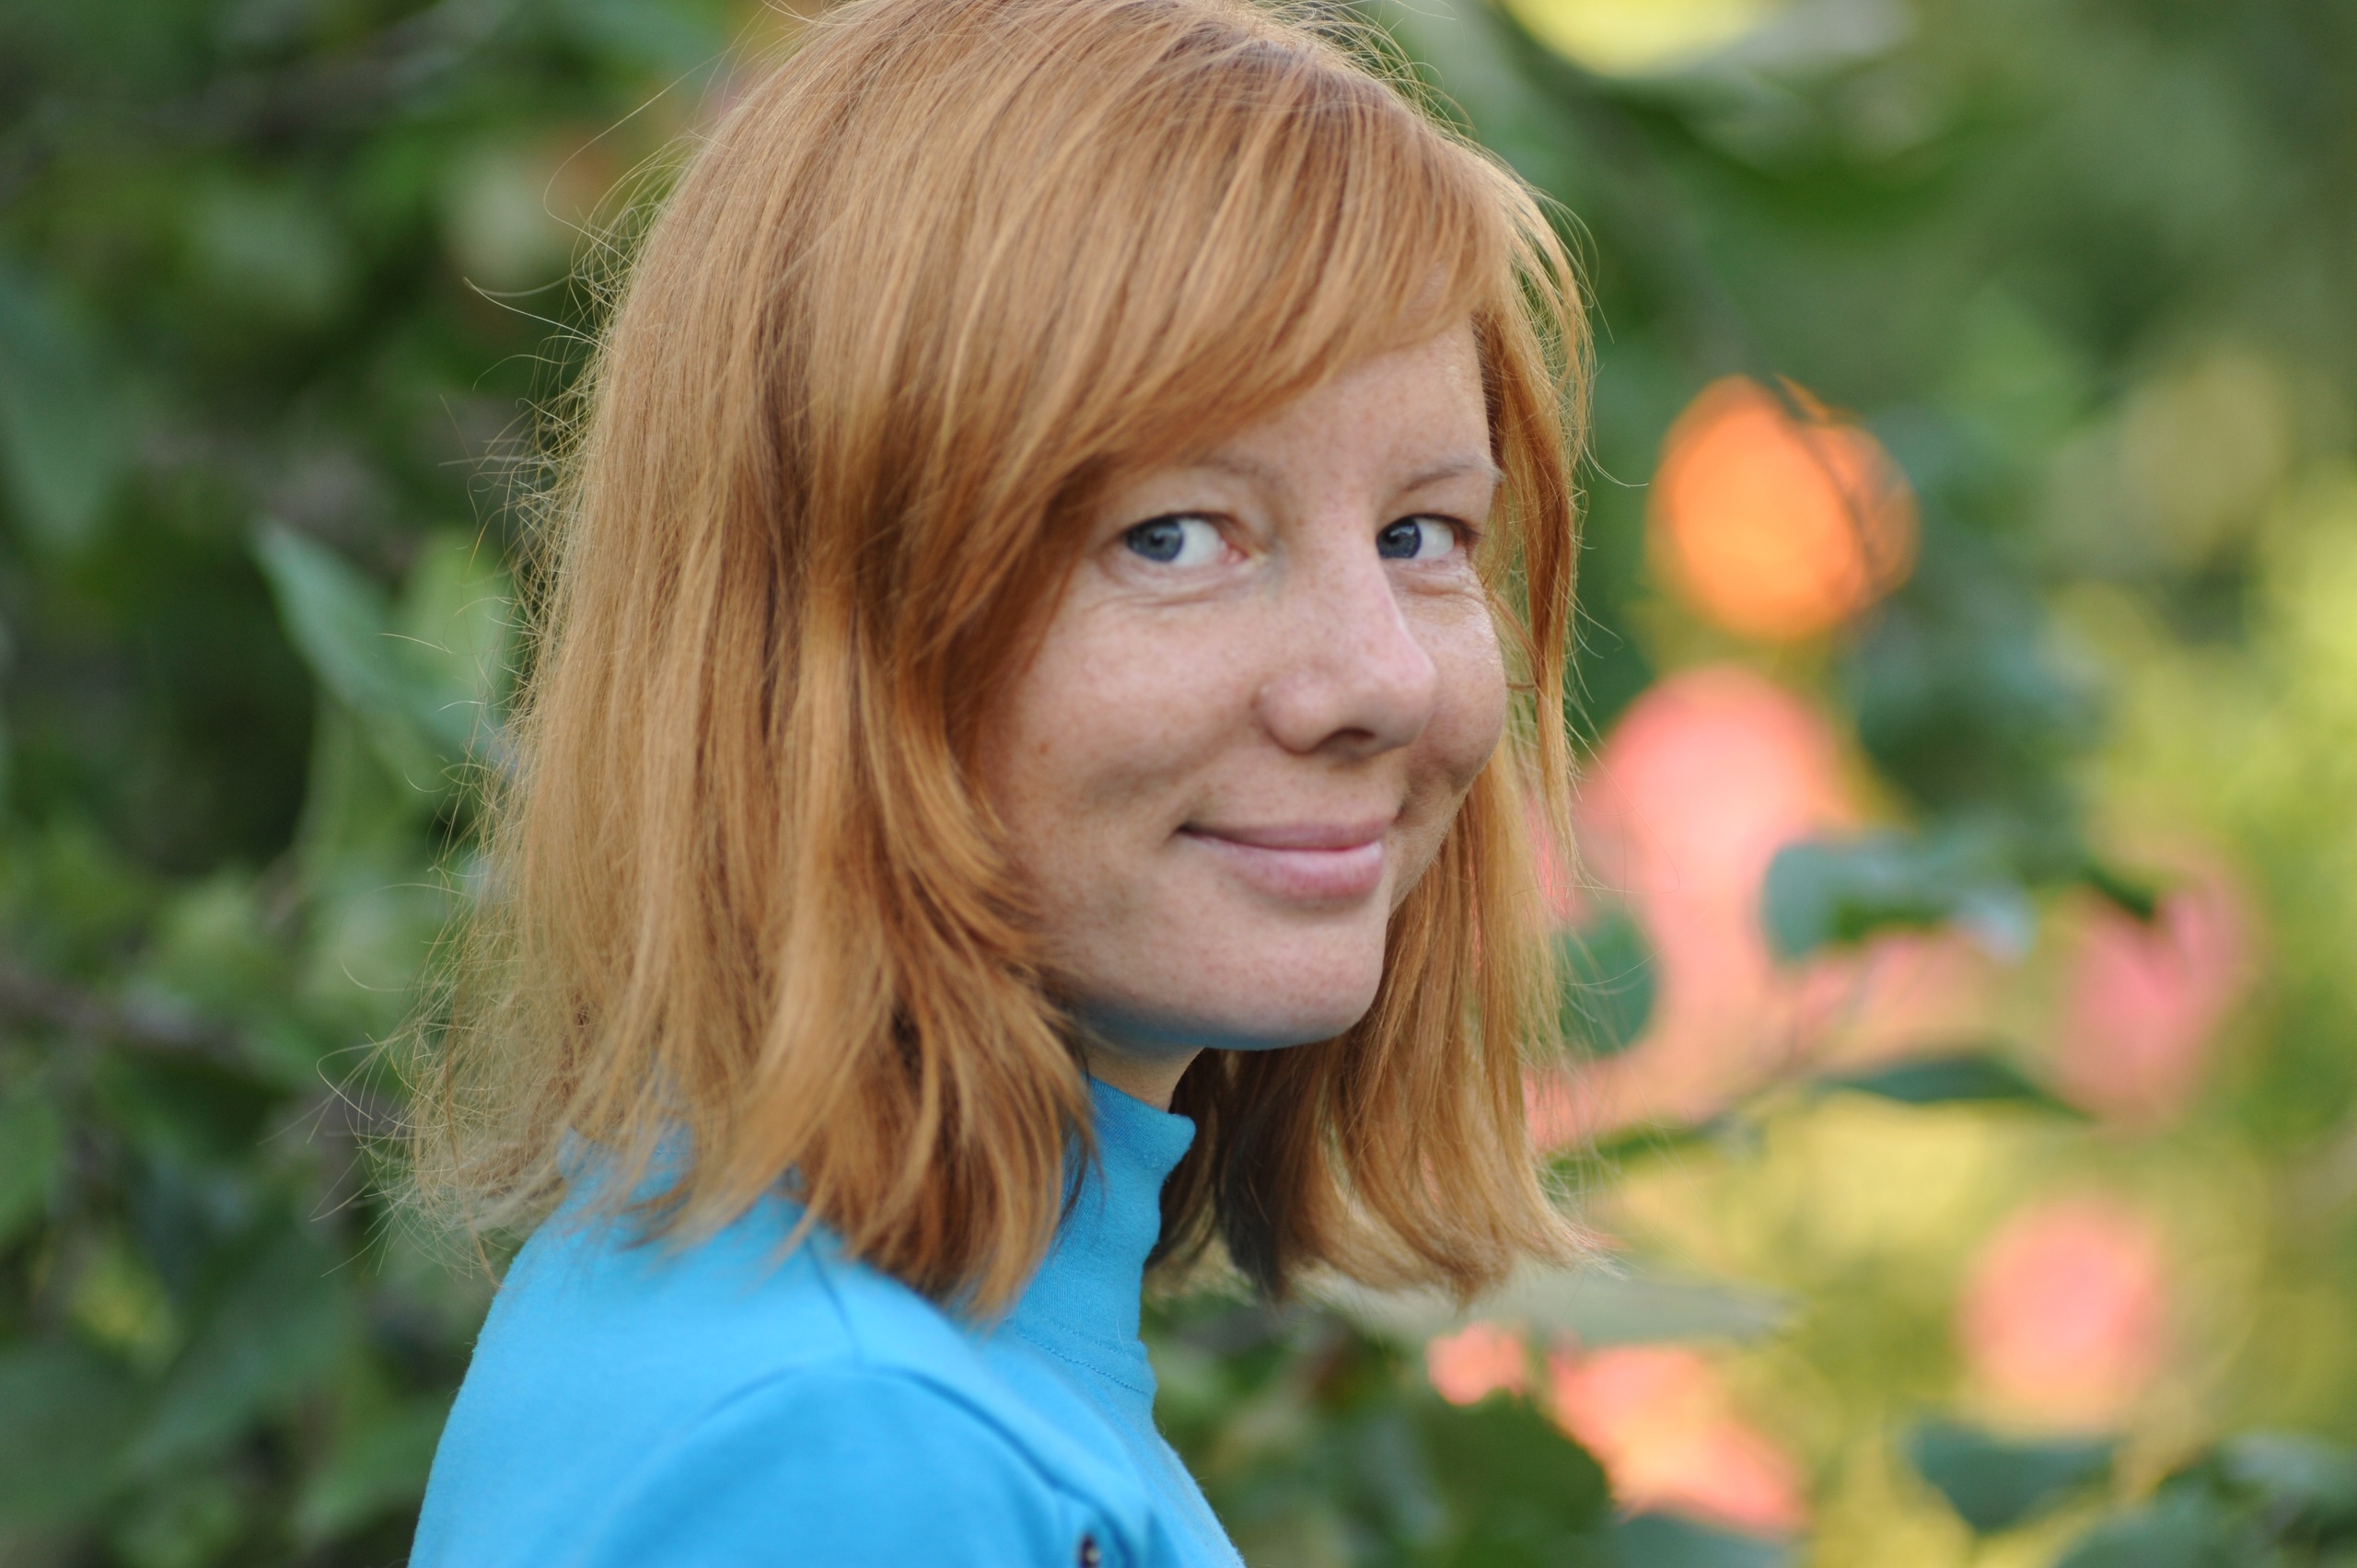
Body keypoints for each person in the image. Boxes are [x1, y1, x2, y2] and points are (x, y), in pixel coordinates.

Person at [407, 0, 1588, 1561]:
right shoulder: (849, 1447)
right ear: (826, 622)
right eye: (1175, 535)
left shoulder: (908, 1365)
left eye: (1418, 534)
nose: (1381, 679)